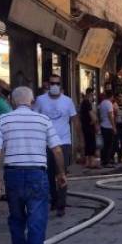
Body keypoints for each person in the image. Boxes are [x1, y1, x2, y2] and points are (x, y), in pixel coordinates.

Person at [0, 86, 67, 244]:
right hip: (37, 175)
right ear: (31, 101)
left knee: (16, 221)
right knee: (37, 223)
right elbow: (57, 150)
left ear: (13, 102)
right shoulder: (43, 120)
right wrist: (61, 173)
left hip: (13, 176)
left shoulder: (4, 119)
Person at [33, 74, 78, 217]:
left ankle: (61, 205)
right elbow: (34, 118)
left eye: (57, 83)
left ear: (61, 85)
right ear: (47, 84)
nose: (54, 86)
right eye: (52, 83)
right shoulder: (40, 100)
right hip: (45, 144)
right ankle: (54, 200)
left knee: (61, 173)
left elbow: (74, 120)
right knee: (49, 174)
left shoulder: (68, 101)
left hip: (63, 143)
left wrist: (80, 141)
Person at [79, 88, 99, 169]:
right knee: (91, 144)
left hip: (85, 126)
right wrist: (94, 122)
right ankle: (91, 162)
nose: (93, 96)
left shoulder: (83, 103)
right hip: (89, 128)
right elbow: (92, 116)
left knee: (87, 144)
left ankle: (88, 162)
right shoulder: (87, 103)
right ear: (89, 94)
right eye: (92, 94)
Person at [98, 90, 116, 167]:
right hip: (108, 126)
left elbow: (98, 112)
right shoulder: (109, 104)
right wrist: (114, 127)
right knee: (109, 145)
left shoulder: (102, 103)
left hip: (102, 125)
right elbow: (110, 116)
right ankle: (107, 161)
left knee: (104, 145)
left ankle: (103, 160)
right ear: (111, 96)